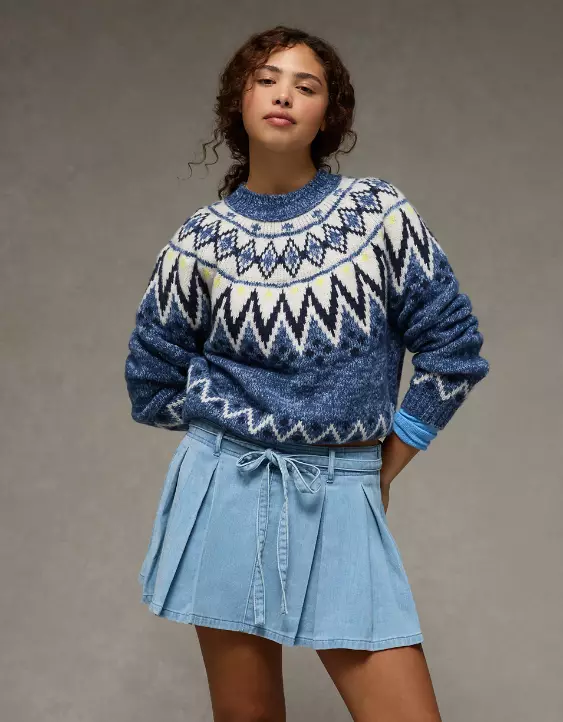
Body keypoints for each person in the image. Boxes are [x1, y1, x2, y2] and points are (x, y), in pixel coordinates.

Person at [124, 25, 489, 722]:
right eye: (266, 80)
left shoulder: (378, 216)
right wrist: (235, 421)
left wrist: (380, 468)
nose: (283, 95)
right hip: (225, 489)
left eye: (306, 85)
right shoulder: (198, 244)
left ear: (329, 116)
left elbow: (453, 352)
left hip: (341, 490)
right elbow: (150, 381)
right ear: (238, 102)